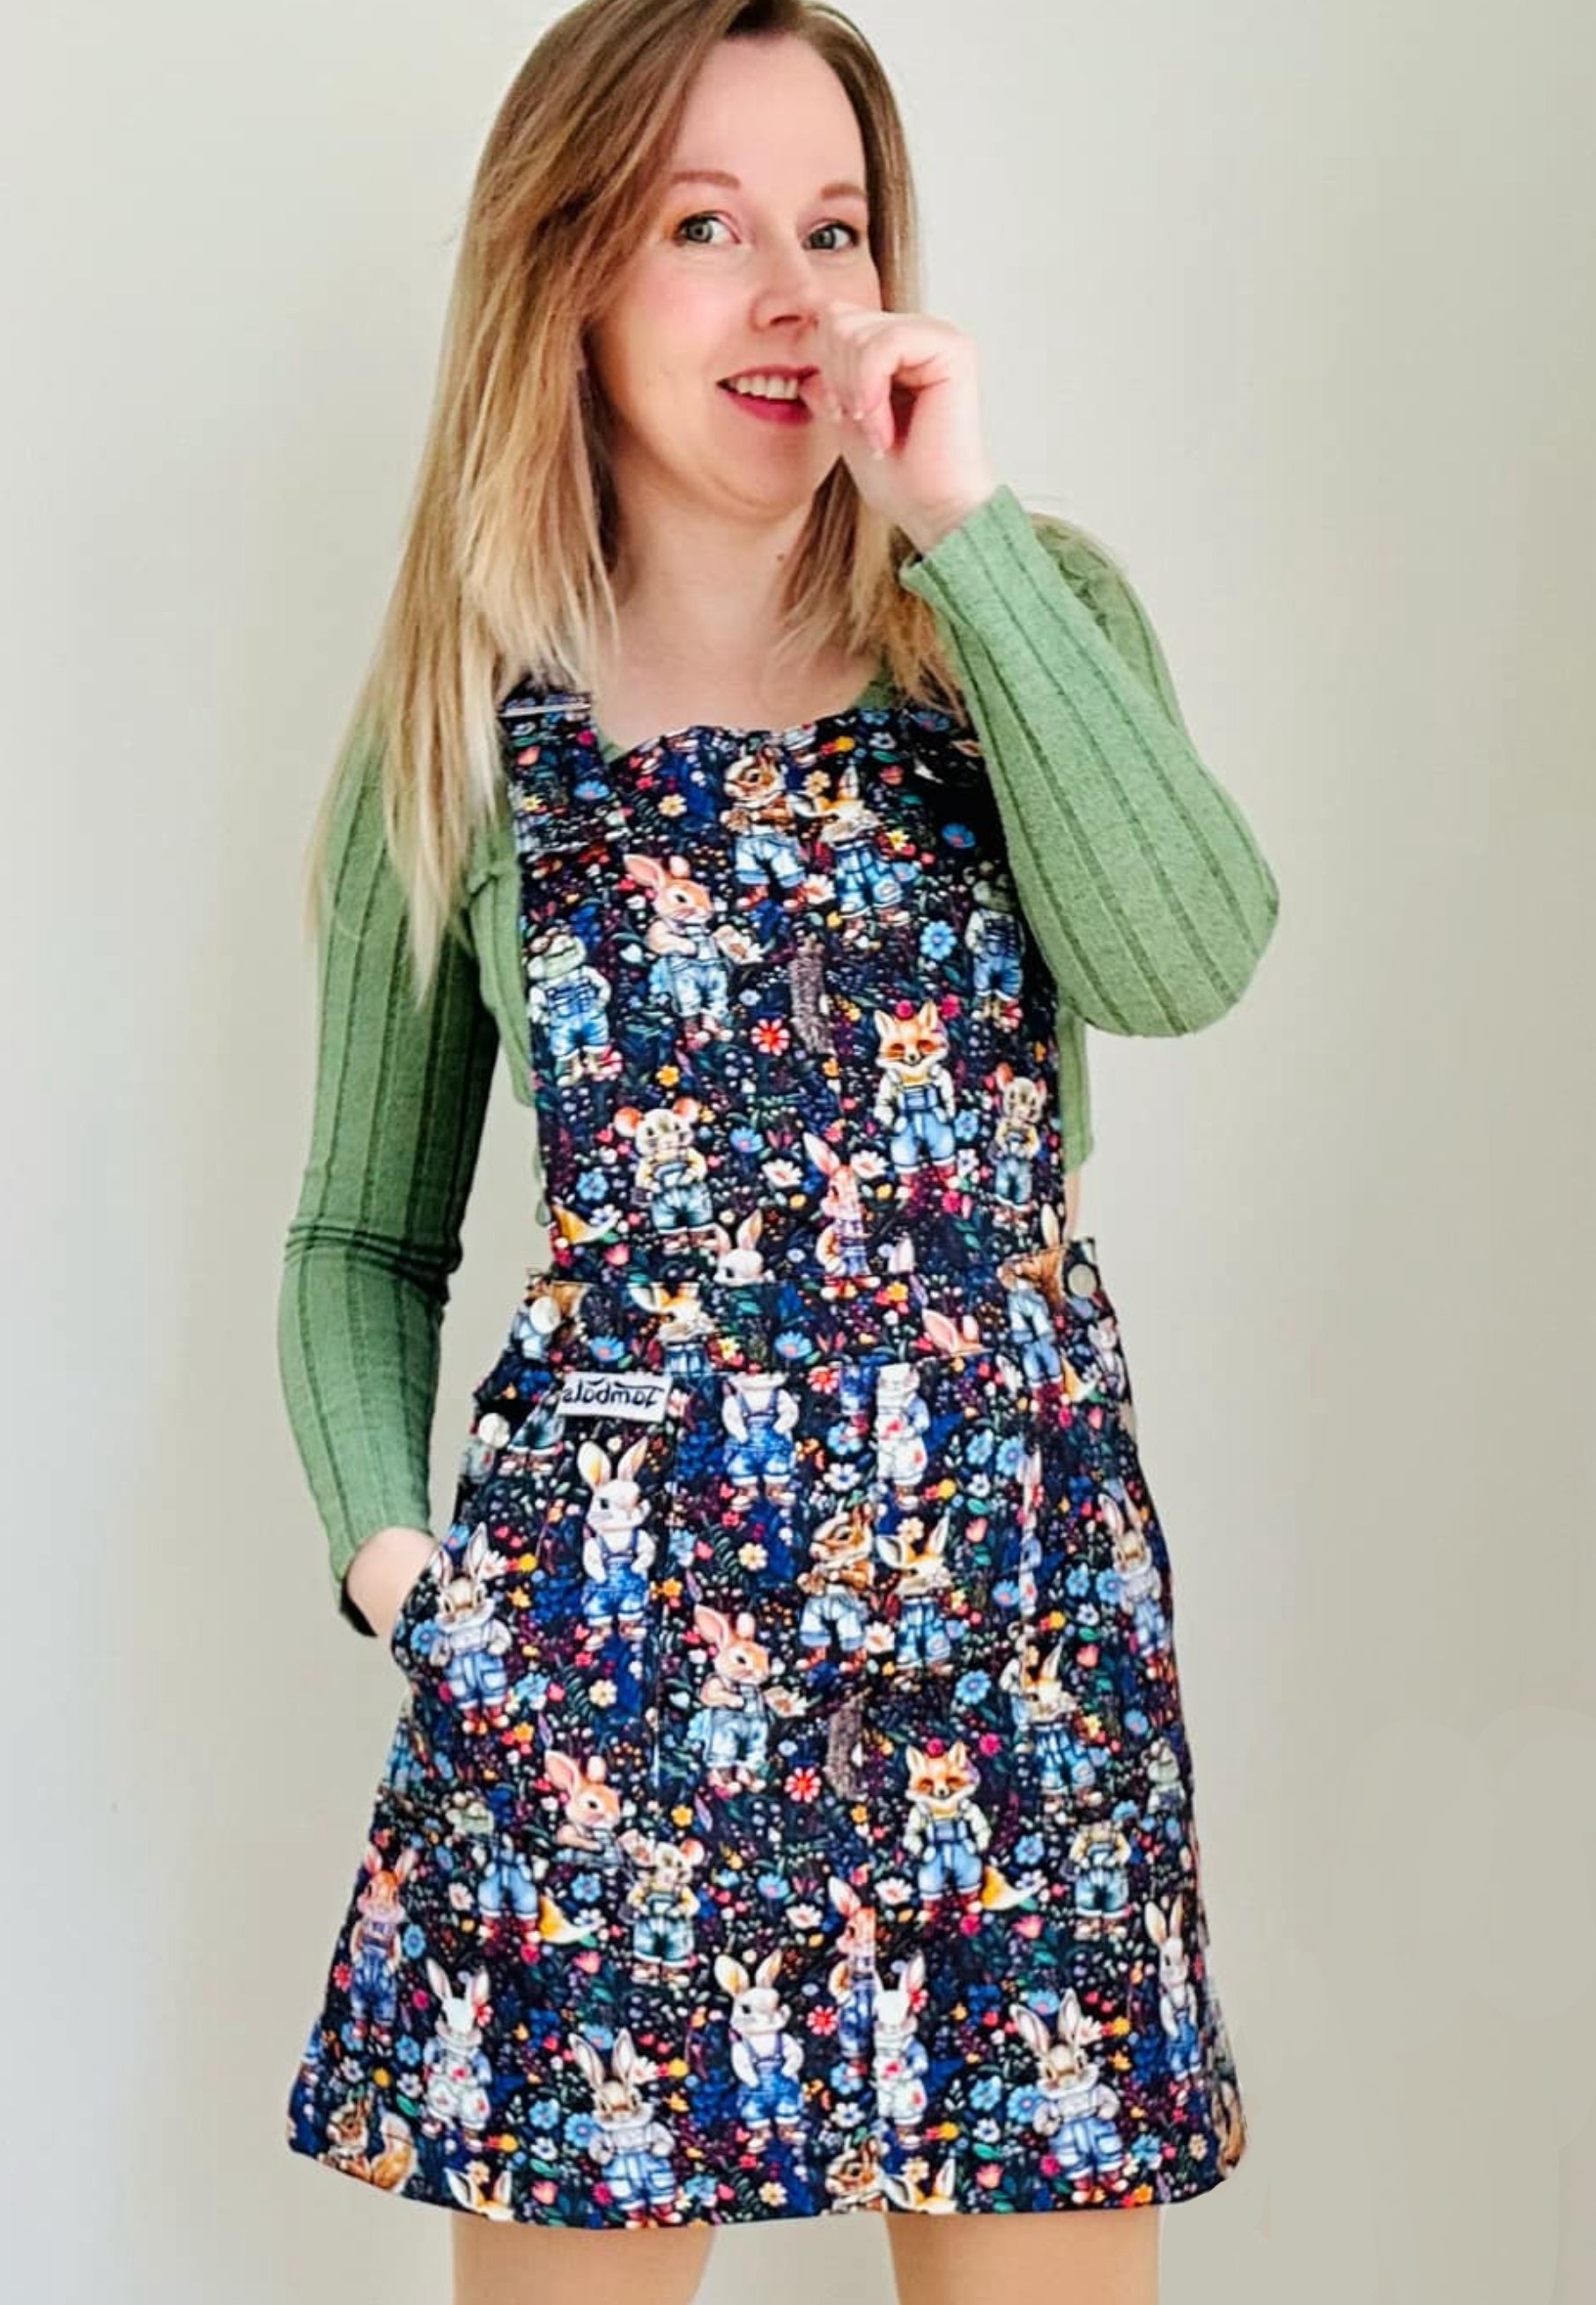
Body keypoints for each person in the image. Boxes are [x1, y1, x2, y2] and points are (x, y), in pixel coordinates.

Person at [276, 4, 1280, 2301]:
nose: (785, 290)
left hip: (1008, 1657)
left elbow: (1187, 951)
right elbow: (358, 1237)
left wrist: (968, 531)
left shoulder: (1012, 626)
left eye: (829, 226)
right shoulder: (462, 735)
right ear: (565, 277)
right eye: (701, 226)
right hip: (610, 1669)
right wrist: (401, 1571)